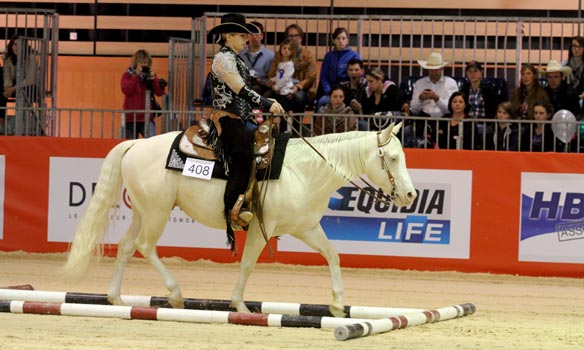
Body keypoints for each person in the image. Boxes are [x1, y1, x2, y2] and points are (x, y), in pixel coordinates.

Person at [206, 13, 285, 244]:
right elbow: (239, 89)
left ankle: (253, 203)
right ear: (228, 36)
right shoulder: (223, 60)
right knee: (242, 155)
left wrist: (258, 112)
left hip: (240, 118)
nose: (246, 39)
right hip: (226, 119)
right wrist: (267, 103)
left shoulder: (235, 58)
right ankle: (232, 211)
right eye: (241, 35)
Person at [406, 52, 458, 147]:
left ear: (442, 69)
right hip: (422, 121)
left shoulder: (451, 83)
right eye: (431, 70)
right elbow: (414, 110)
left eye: (436, 70)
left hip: (444, 121)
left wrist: (437, 98)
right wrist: (420, 99)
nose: (433, 72)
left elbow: (452, 109)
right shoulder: (419, 83)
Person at [121, 49, 165, 139]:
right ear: (136, 63)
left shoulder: (151, 76)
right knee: (130, 145)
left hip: (147, 117)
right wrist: (136, 76)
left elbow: (159, 92)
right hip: (131, 117)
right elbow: (126, 90)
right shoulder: (128, 75)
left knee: (151, 143)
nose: (143, 65)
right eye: (141, 62)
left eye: (145, 62)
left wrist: (154, 79)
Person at [315, 27, 361, 110]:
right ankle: (316, 123)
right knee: (321, 102)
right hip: (330, 91)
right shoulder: (328, 56)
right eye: (338, 38)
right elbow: (324, 77)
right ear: (333, 41)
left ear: (347, 40)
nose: (341, 41)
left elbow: (358, 76)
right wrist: (329, 92)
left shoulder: (354, 56)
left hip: (347, 92)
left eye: (343, 38)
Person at [3, 34, 39, 135]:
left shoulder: (31, 58)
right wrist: (7, 88)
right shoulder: (9, 59)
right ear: (11, 46)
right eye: (15, 44)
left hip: (30, 86)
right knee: (1, 92)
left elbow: (30, 79)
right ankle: (1, 121)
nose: (17, 48)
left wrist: (13, 89)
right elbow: (7, 75)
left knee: (26, 91)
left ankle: (22, 123)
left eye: (20, 45)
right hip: (15, 86)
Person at [459, 61, 499, 149]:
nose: (472, 74)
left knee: (481, 131)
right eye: (470, 72)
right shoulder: (464, 89)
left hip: (484, 124)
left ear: (481, 73)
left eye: (475, 71)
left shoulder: (489, 89)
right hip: (467, 123)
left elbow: (494, 110)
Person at [267, 39, 296, 132]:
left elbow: (285, 78)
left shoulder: (289, 64)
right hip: (279, 90)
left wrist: (277, 87)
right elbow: (279, 76)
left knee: (284, 113)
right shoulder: (280, 63)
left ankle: (284, 130)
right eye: (284, 48)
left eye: (289, 49)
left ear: (292, 52)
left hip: (285, 91)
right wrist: (272, 80)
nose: (286, 50)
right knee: (278, 112)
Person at [238, 21, 275, 95]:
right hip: (244, 84)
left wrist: (261, 81)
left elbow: (272, 76)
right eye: (251, 34)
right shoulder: (240, 54)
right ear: (247, 36)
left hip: (262, 86)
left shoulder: (271, 55)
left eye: (257, 34)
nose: (254, 37)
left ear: (261, 36)